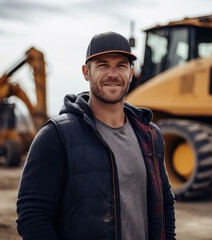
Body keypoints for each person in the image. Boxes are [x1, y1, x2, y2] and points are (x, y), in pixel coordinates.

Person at [16, 31, 176, 240]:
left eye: (121, 65)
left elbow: (165, 202)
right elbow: (32, 215)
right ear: (86, 72)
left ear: (131, 72)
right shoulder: (57, 136)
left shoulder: (150, 135)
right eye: (102, 65)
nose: (113, 73)